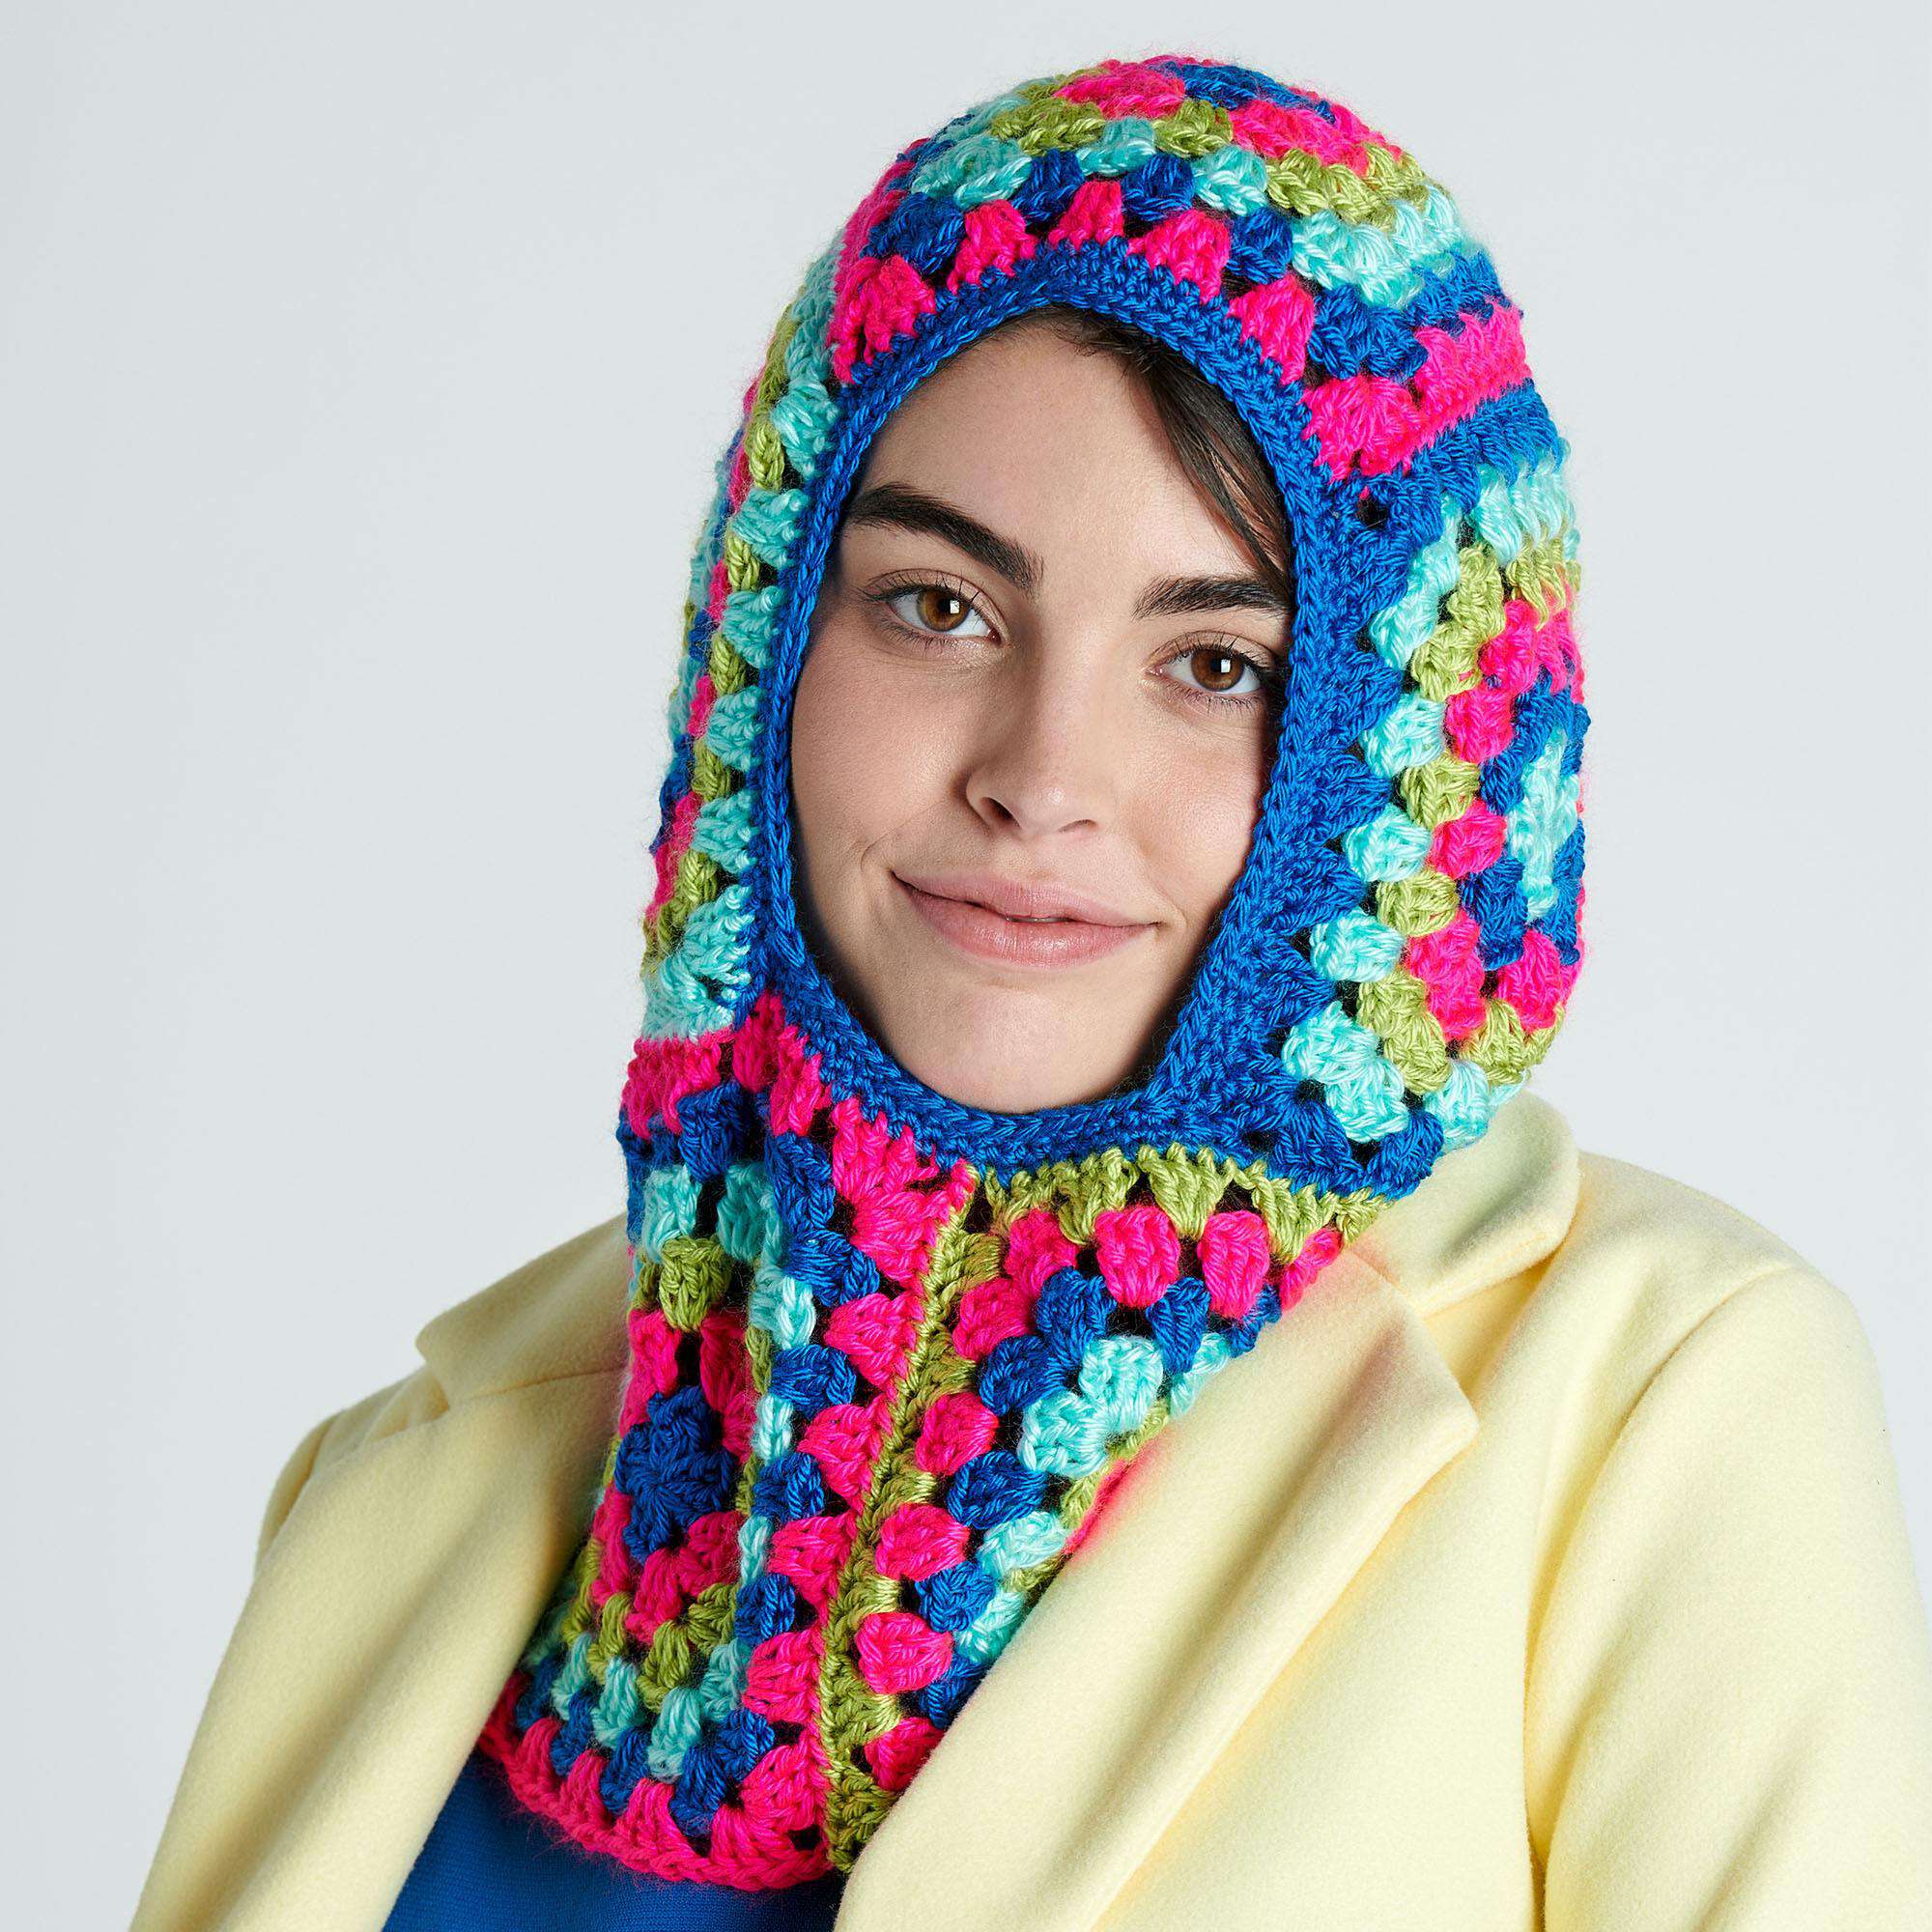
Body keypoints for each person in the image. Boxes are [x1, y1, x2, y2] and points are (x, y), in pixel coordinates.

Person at [131, 50, 1932, 1932]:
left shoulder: (1656, 1417)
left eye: (1217, 663)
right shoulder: (391, 1489)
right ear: (763, 644)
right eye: (940, 606)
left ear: (1417, 760)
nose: (1041, 776)